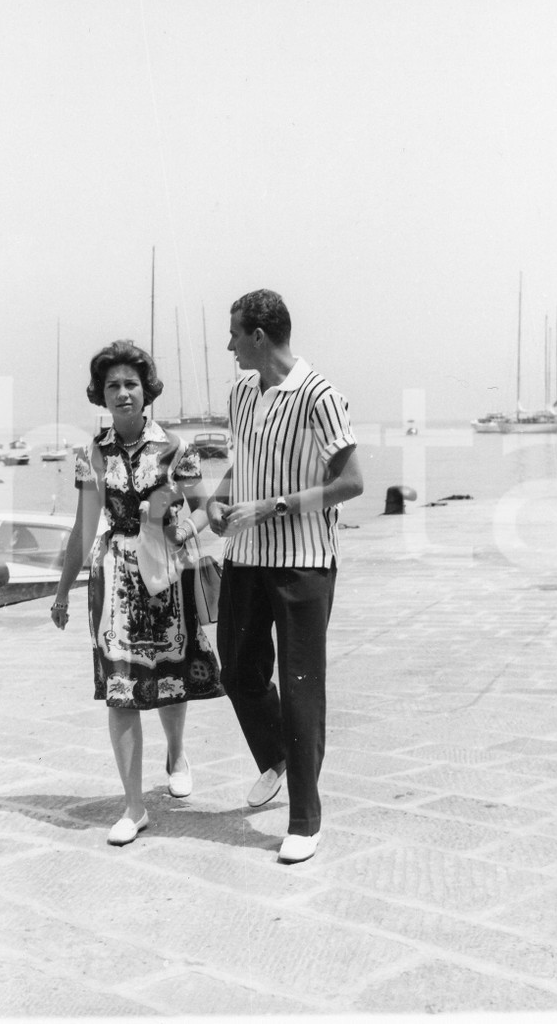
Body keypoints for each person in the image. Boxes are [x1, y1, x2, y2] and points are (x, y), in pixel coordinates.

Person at [208, 290, 363, 864]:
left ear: (259, 336)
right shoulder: (241, 392)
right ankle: (275, 755)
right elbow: (242, 462)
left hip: (303, 561)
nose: (228, 345)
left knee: (300, 689)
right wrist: (219, 503)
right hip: (245, 558)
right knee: (238, 672)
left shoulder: (321, 395)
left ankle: (305, 818)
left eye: (233, 335)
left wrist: (269, 507)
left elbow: (351, 483)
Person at [51, 339, 224, 846]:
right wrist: (62, 592)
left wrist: (178, 528)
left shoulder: (175, 447)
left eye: (131, 384)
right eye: (113, 386)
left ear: (146, 390)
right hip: (114, 581)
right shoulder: (93, 453)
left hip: (165, 575)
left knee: (170, 680)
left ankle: (175, 751)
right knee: (120, 694)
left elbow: (202, 508)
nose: (123, 393)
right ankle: (133, 806)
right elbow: (84, 528)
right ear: (100, 396)